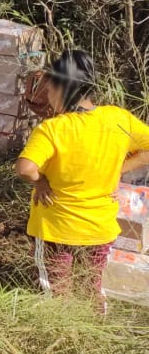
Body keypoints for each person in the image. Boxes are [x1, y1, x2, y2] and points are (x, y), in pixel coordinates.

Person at [15, 50, 149, 310]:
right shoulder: (118, 119)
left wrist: (40, 182)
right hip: (99, 228)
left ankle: (59, 331)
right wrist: (119, 169)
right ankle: (96, 319)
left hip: (56, 228)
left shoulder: (53, 129)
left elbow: (25, 168)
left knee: (56, 287)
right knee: (91, 285)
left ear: (58, 88)